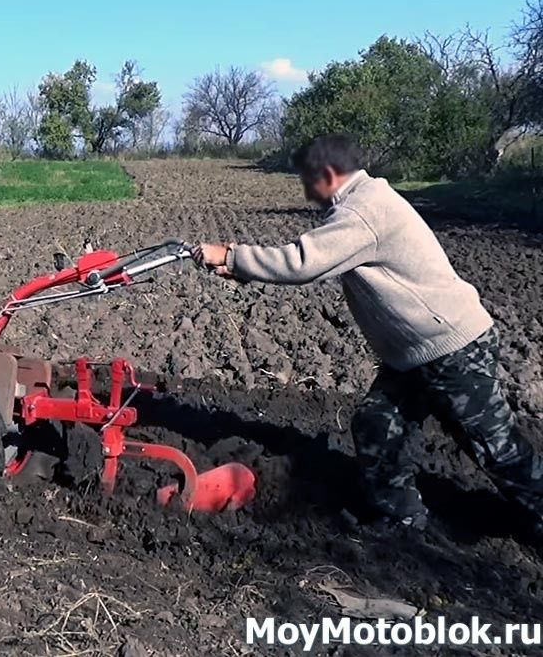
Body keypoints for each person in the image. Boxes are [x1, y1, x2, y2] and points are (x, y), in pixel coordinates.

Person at [194, 133, 543, 533]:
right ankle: (401, 517)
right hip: (417, 353)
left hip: (453, 347)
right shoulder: (363, 205)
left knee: (493, 446)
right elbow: (321, 267)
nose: (308, 194)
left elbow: (303, 262)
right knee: (376, 424)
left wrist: (232, 255)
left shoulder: (364, 210)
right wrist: (243, 268)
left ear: (327, 173)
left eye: (308, 182)